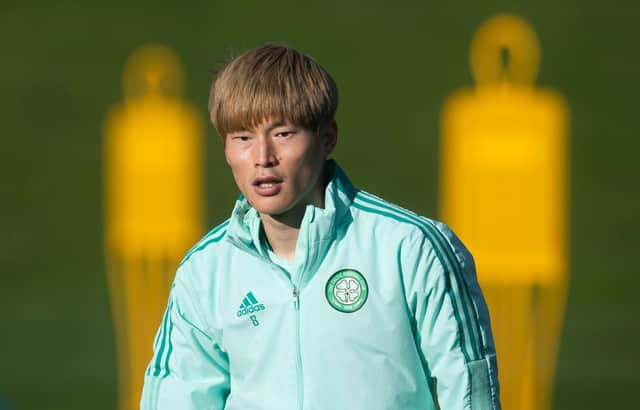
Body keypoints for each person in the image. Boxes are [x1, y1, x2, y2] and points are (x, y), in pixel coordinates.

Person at [140, 44, 501, 410]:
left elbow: (470, 393)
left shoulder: (412, 248)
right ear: (226, 149)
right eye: (243, 138)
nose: (263, 158)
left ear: (327, 138)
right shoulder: (205, 271)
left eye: (283, 134)